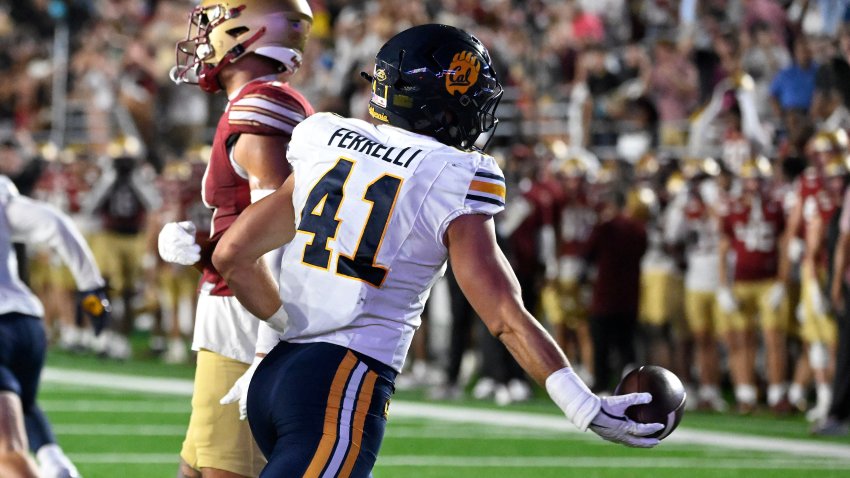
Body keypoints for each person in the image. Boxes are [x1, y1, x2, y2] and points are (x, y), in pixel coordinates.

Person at [212, 24, 663, 477]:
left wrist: (284, 329)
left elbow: (232, 255)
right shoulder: (453, 173)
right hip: (342, 379)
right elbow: (504, 316)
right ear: (441, 101)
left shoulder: (325, 139)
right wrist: (583, 405)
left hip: (276, 376)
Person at [157, 1, 314, 477]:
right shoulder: (253, 104)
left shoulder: (260, 106)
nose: (201, 38)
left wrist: (268, 344)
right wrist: (203, 246)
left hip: (246, 317)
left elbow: (282, 231)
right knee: (195, 467)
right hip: (233, 305)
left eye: (210, 23)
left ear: (245, 28)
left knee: (226, 471)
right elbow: (251, 222)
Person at [0, 175, 110, 478]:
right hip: (26, 324)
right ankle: (56, 462)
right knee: (23, 406)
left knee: (6, 451)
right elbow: (55, 223)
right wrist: (92, 289)